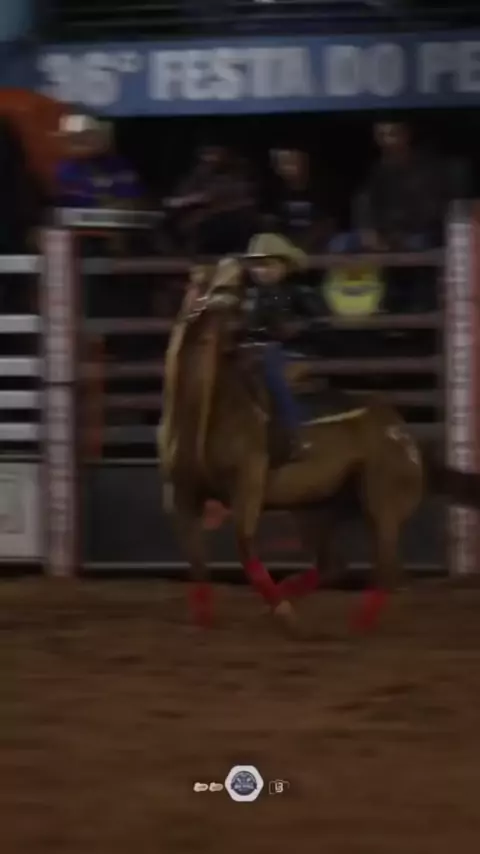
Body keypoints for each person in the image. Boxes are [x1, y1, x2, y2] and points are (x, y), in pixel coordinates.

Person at [243, 232, 321, 460]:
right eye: (257, 266)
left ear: (285, 266)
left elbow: (320, 321)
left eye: (268, 265)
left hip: (294, 350)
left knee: (271, 366)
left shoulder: (298, 292)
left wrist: (299, 327)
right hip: (256, 349)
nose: (262, 271)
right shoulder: (250, 296)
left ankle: (294, 430)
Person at [163, 142, 259, 254]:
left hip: (229, 216)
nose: (209, 159)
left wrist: (190, 200)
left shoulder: (236, 173)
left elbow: (216, 195)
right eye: (206, 155)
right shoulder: (198, 174)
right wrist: (180, 201)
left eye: (214, 154)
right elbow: (181, 195)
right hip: (204, 215)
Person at [268, 147, 334, 251]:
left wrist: (305, 243)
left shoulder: (320, 191)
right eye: (286, 163)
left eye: (295, 161)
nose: (292, 167)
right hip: (285, 245)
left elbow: (327, 224)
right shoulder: (275, 194)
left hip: (317, 245)